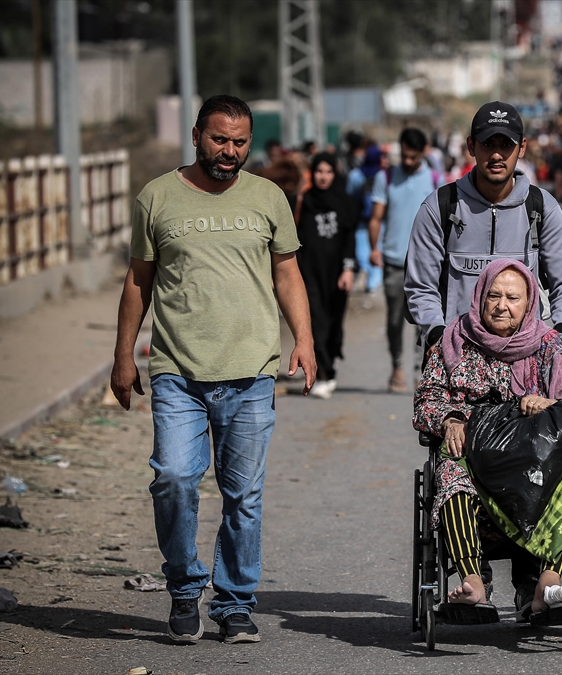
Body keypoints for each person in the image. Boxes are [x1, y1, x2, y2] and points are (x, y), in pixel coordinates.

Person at [110, 95, 315, 645]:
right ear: (198, 134)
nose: (230, 151)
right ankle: (183, 589)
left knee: (242, 495)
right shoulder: (157, 197)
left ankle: (234, 603)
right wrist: (123, 355)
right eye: (220, 139)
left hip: (252, 372)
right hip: (178, 368)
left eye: (240, 142)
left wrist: (306, 340)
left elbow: (288, 274)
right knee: (174, 478)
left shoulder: (268, 196)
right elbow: (138, 281)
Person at [413, 260, 562, 614]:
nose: (501, 305)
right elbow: (426, 400)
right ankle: (473, 583)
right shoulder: (453, 340)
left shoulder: (551, 346)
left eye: (512, 298)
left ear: (530, 303)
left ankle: (547, 584)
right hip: (473, 456)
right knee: (449, 472)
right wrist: (449, 420)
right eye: (493, 295)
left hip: (536, 461)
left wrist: (553, 404)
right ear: (479, 297)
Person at [405, 101, 562, 359]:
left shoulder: (542, 208)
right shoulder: (439, 207)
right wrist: (436, 335)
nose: (497, 155)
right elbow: (420, 286)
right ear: (471, 146)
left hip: (525, 359)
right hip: (455, 358)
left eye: (506, 145)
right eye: (488, 144)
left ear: (521, 148)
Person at [368, 128, 440, 392]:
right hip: (394, 262)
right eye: (405, 156)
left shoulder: (434, 179)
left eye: (413, 157)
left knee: (425, 321)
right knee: (395, 320)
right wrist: (374, 248)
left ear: (424, 152)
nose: (408, 162)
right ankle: (397, 366)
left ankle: (420, 373)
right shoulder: (385, 177)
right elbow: (376, 217)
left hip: (426, 265)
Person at [295, 153, 357, 398]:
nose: (323, 177)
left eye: (328, 172)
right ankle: (324, 373)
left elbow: (349, 238)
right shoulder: (305, 200)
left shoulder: (344, 202)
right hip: (309, 272)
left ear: (335, 173)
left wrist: (349, 269)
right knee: (316, 322)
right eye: (319, 171)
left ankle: (330, 365)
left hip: (337, 274)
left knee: (333, 324)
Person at [347, 144, 385, 293]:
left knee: (362, 252)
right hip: (380, 220)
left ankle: (367, 276)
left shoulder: (355, 175)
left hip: (361, 220)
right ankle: (373, 283)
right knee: (377, 250)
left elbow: (349, 197)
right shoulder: (383, 175)